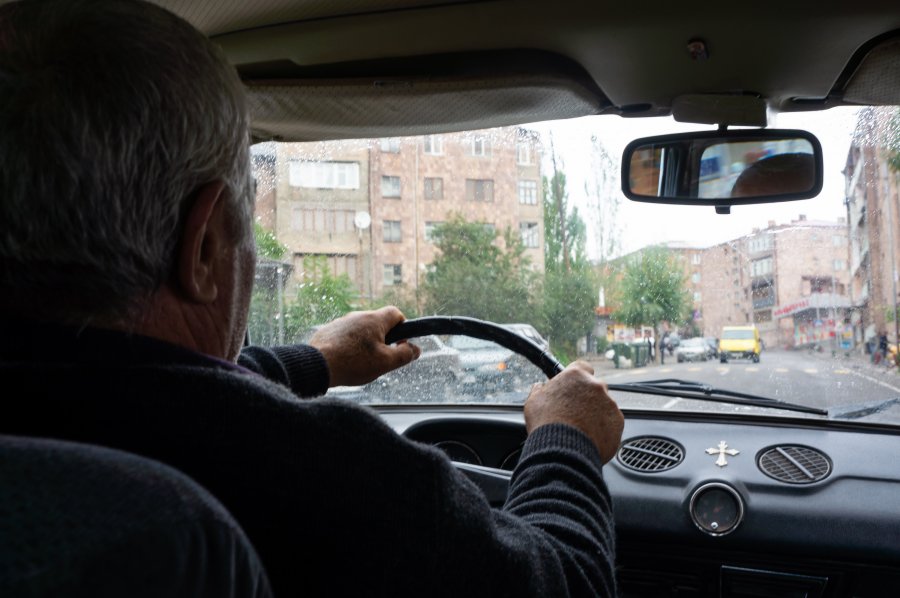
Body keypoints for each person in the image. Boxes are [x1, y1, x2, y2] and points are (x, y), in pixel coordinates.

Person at [0, 1, 624, 597]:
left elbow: (125, 381)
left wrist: (314, 360)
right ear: (205, 249)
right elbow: (568, 581)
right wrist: (566, 440)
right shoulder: (334, 478)